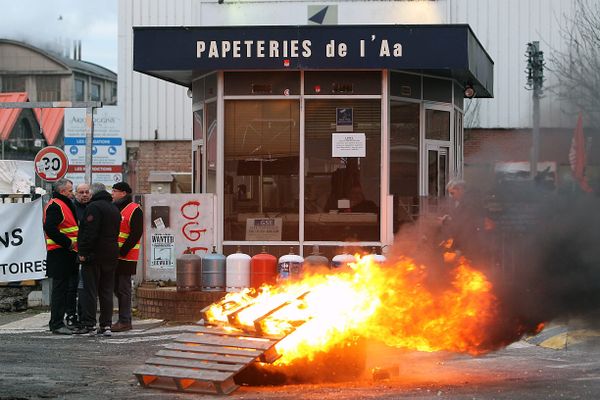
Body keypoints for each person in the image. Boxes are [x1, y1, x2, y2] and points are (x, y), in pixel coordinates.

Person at [75, 183, 121, 336]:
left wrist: (83, 252)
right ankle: (106, 325)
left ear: (94, 193)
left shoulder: (94, 207)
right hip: (111, 255)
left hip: (94, 256)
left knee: (90, 291)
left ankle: (90, 324)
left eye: (89, 192)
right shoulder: (114, 208)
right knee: (106, 291)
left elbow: (90, 232)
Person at [43, 178, 79, 335]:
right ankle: (56, 324)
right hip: (60, 253)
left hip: (66, 253)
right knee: (60, 290)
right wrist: (67, 243)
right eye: (70, 190)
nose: (72, 193)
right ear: (63, 191)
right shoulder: (56, 205)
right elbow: (49, 227)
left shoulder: (62, 203)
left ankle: (59, 321)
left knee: (65, 289)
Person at [111, 182, 143, 332]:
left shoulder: (134, 209)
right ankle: (123, 319)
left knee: (123, 289)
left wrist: (122, 251)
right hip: (115, 256)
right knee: (117, 289)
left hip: (126, 257)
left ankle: (125, 320)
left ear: (123, 193)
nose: (112, 193)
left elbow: (136, 233)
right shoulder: (116, 208)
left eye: (115, 191)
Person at [65, 183, 90, 329]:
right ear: (76, 194)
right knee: (72, 286)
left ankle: (83, 315)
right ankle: (71, 315)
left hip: (88, 254)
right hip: (73, 252)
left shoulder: (93, 208)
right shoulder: (72, 208)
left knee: (85, 288)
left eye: (87, 192)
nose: (84, 195)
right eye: (81, 192)